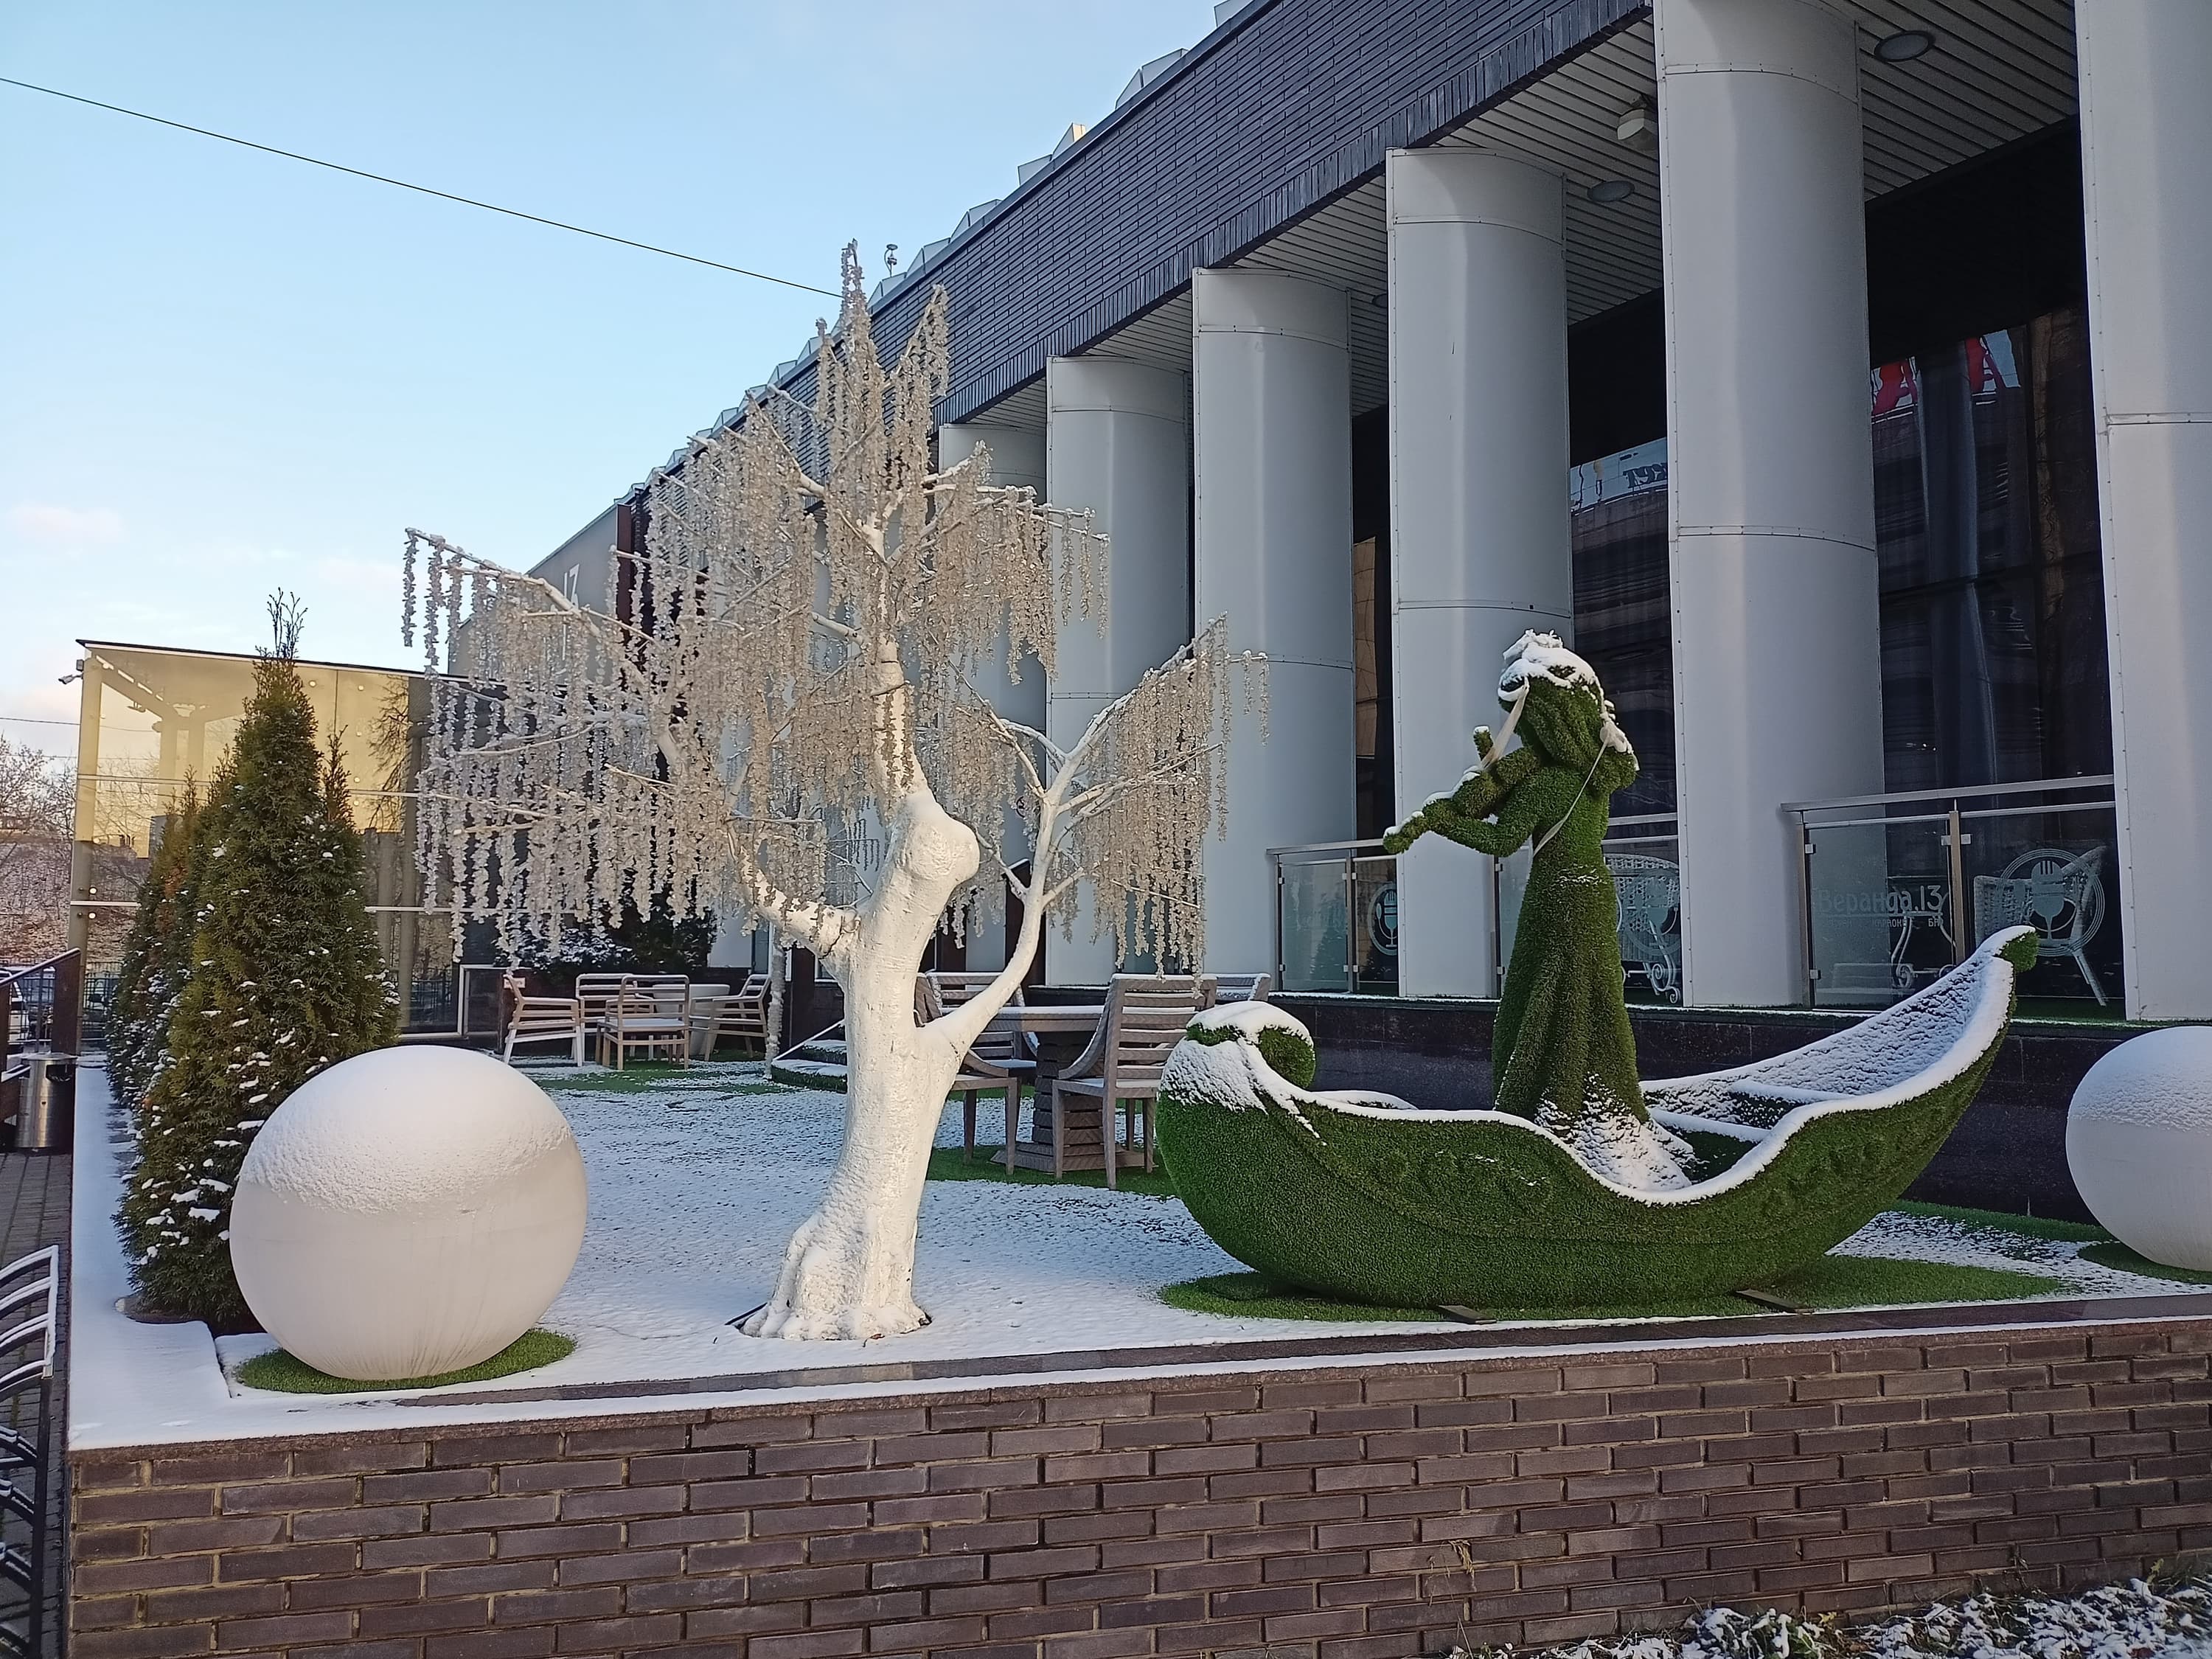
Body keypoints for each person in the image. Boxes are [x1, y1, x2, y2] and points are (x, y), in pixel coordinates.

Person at [1383, 631, 1689, 1189]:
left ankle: (1549, 1106)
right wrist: (1493, 774)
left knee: (1544, 997)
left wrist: (1442, 821)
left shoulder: (1549, 782)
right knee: (1592, 997)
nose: (1518, 730)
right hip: (1594, 892)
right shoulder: (1594, 778)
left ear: (1543, 721)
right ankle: (1603, 1098)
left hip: (1557, 897)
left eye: (1521, 720)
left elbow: (1502, 841)